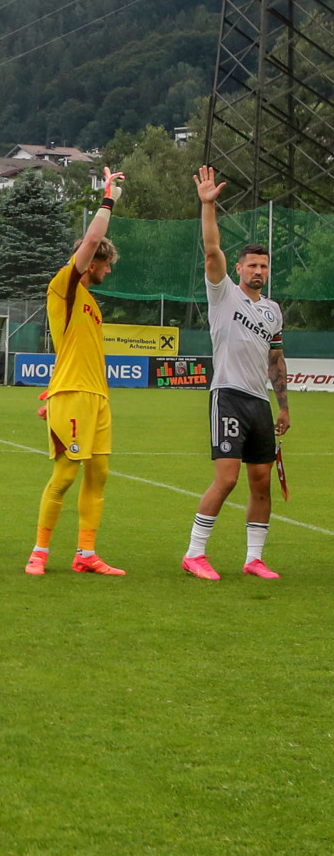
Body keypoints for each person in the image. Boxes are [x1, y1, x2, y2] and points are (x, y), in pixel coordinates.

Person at [181, 166, 291, 580]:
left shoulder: (272, 310)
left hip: (259, 401)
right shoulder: (223, 293)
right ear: (240, 269)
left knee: (261, 482)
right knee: (226, 479)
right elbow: (212, 250)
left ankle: (253, 558)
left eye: (263, 266)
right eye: (252, 266)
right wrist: (208, 206)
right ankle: (194, 553)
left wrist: (284, 406)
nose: (258, 271)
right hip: (227, 394)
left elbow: (275, 360)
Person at [26, 167, 127, 576]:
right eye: (106, 263)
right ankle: (39, 552)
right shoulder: (63, 289)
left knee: (98, 473)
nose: (109, 270)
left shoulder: (91, 303)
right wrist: (108, 200)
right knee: (66, 474)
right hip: (72, 396)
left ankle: (86, 554)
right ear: (93, 261)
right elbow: (89, 240)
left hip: (97, 398)